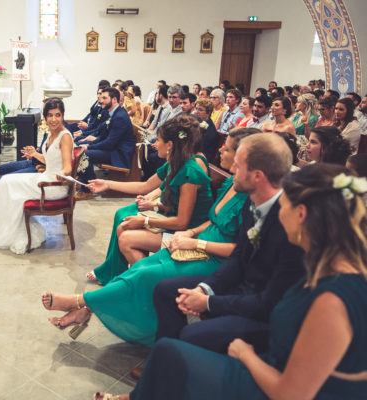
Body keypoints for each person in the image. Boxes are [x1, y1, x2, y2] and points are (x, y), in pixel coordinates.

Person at [96, 163, 367, 400]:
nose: (279, 214)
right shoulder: (323, 264)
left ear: (302, 214)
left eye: (285, 205)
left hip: (280, 382)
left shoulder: (334, 297)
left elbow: (292, 393)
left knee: (170, 353)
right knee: (169, 352)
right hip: (273, 361)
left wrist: (245, 354)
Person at [42, 128, 253, 345]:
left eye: (226, 149)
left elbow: (237, 248)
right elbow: (209, 217)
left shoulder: (224, 184)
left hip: (211, 257)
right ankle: (91, 306)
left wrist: (186, 235)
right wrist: (186, 232)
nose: (220, 150)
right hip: (192, 240)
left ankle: (80, 303)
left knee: (142, 272)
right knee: (140, 267)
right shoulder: (232, 183)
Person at [151, 133, 305, 354]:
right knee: (165, 290)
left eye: (238, 166)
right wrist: (204, 289)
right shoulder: (253, 204)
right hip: (243, 289)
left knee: (191, 335)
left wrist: (209, 303)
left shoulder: (289, 223)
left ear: (258, 176)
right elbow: (239, 257)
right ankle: (165, 361)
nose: (231, 171)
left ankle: (178, 359)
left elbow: (271, 300)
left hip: (269, 314)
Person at [86, 116, 213, 284]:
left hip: (188, 233)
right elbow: (144, 186)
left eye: (158, 140)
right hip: (176, 224)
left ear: (170, 145)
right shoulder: (176, 163)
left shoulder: (190, 171)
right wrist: (107, 184)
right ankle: (137, 281)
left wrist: (144, 220)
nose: (155, 143)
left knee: (126, 238)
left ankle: (150, 283)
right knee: (124, 226)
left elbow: (182, 222)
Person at [0, 98, 74, 254]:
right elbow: (49, 160)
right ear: (45, 117)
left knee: (7, 185)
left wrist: (62, 173)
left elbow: (67, 167)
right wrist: (35, 154)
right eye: (50, 115)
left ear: (63, 116)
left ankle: (17, 233)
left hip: (53, 186)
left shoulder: (65, 136)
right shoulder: (52, 134)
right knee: (6, 181)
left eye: (58, 115)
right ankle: (12, 231)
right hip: (45, 178)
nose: (54, 119)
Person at [76, 87, 135, 198]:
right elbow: (103, 137)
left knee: (85, 155)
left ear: (114, 100)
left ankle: (87, 190)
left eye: (104, 98)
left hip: (118, 154)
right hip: (112, 149)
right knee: (77, 147)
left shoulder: (120, 116)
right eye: (101, 97)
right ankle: (87, 181)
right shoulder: (112, 113)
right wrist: (88, 144)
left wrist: (88, 147)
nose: (101, 100)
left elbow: (109, 143)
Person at [194, 98, 218, 163]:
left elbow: (201, 146)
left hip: (202, 158)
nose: (196, 112)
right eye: (196, 108)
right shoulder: (198, 122)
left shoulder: (210, 128)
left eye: (200, 110)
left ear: (208, 112)